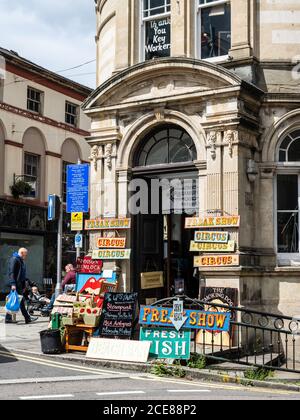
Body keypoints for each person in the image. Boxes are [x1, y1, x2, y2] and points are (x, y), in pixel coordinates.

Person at [5, 248, 38, 324]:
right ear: (22, 253)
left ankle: (9, 318)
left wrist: (26, 283)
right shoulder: (15, 259)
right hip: (16, 284)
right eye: (25, 254)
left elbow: (21, 275)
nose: (26, 256)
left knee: (17, 301)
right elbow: (12, 273)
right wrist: (13, 284)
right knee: (20, 302)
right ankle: (27, 318)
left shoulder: (20, 260)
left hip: (19, 284)